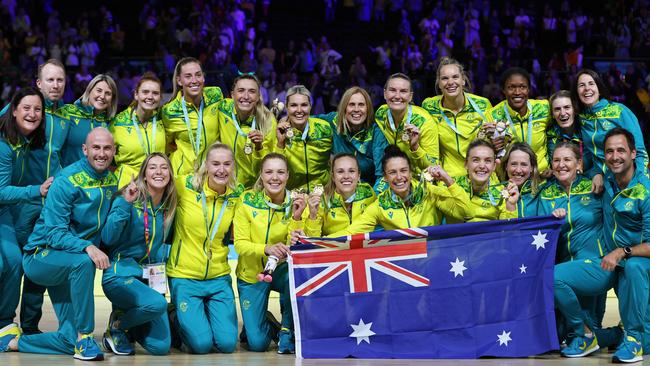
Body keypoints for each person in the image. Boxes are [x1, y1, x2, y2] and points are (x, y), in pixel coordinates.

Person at [1, 128, 117, 360]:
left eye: (107, 148)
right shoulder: (66, 180)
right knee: (84, 262)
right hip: (41, 255)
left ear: (114, 151)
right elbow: (54, 234)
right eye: (96, 147)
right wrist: (88, 246)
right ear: (85, 150)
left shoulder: (111, 180)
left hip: (69, 261)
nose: (102, 153)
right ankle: (85, 337)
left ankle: (14, 342)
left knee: (67, 339)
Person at [553, 128, 649, 362]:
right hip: (606, 263)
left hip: (638, 264)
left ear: (634, 153)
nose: (615, 156)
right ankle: (586, 334)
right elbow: (589, 163)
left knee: (635, 266)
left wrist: (623, 252)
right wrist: (595, 172)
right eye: (609, 151)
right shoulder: (606, 179)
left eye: (621, 150)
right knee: (552, 277)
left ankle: (634, 339)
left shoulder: (646, 190)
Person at [2, 60, 68, 334]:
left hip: (40, 207)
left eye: (60, 80)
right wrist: (36, 190)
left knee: (31, 262)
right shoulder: (10, 130)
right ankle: (5, 321)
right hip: (14, 203)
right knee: (11, 261)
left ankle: (25, 325)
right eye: (49, 80)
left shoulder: (65, 119)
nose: (55, 85)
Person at [166, 143, 243, 354]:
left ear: (233, 167)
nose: (221, 169)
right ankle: (173, 315)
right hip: (185, 275)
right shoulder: (185, 186)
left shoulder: (237, 196)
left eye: (227, 164)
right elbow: (157, 182)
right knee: (200, 346)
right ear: (205, 165)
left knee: (227, 345)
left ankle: (202, 318)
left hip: (218, 277)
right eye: (215, 163)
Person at [101, 153, 177, 356]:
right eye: (152, 167)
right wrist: (125, 203)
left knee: (160, 348)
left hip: (149, 278)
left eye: (164, 167)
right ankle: (118, 324)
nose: (158, 172)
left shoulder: (168, 206)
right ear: (144, 174)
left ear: (170, 173)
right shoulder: (129, 198)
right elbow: (108, 238)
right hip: (120, 274)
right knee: (158, 304)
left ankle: (129, 320)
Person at [234, 153, 302, 354]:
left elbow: (304, 243)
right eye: (269, 172)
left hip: (280, 271)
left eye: (280, 172)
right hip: (251, 275)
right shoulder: (246, 199)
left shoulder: (297, 201)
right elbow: (239, 245)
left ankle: (287, 331)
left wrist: (298, 218)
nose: (275, 177)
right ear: (261, 176)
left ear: (288, 175)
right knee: (257, 344)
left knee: (295, 275)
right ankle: (266, 322)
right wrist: (267, 248)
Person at [322, 146, 469, 235]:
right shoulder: (380, 206)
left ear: (410, 173)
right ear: (385, 177)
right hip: (401, 262)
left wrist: (448, 180)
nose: (399, 177)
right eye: (392, 172)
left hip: (432, 257)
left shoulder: (428, 191)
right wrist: (314, 242)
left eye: (403, 171)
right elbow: (351, 232)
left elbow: (464, 212)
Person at [0, 88, 51, 342]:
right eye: (26, 108)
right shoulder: (3, 144)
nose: (32, 113)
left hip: (4, 212)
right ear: (14, 110)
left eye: (38, 109)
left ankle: (4, 323)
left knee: (14, 262)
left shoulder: (24, 138)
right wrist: (37, 190)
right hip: (3, 204)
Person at [572, 69, 648, 192]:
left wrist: (640, 182)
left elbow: (639, 151)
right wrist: (595, 173)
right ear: (577, 92)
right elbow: (589, 154)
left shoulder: (619, 111)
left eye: (591, 83)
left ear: (600, 89)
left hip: (628, 180)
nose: (586, 88)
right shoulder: (582, 119)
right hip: (603, 185)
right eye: (581, 85)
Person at [422, 57, 492, 178]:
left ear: (463, 80)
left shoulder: (483, 105)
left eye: (455, 77)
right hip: (446, 177)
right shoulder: (429, 106)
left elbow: (492, 142)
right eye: (444, 78)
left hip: (479, 174)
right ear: (439, 83)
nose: (450, 82)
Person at [162, 57, 223, 176]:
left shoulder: (215, 95)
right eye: (188, 76)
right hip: (183, 174)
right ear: (179, 81)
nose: (194, 80)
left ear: (203, 77)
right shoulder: (170, 111)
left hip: (212, 172)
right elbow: (166, 144)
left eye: (198, 75)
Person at [486, 67, 552, 173]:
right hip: (509, 180)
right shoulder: (492, 116)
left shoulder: (544, 108)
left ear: (529, 89)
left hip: (541, 179)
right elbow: (483, 148)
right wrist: (492, 147)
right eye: (511, 87)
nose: (517, 92)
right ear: (504, 90)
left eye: (522, 87)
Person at [216, 74, 275, 188]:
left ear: (258, 96)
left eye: (252, 91)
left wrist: (259, 147)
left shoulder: (267, 120)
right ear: (232, 95)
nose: (246, 96)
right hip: (224, 186)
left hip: (252, 189)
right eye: (241, 90)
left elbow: (271, 163)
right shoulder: (223, 108)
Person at [317, 87, 386, 186]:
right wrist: (286, 121)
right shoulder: (332, 121)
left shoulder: (376, 133)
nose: (356, 109)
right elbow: (305, 120)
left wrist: (374, 200)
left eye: (361, 105)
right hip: (337, 191)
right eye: (351, 105)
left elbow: (382, 175)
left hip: (368, 192)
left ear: (368, 108)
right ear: (344, 108)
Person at [374, 73, 439, 176]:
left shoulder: (424, 122)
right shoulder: (381, 114)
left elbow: (434, 166)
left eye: (403, 91)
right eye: (392, 90)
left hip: (418, 181)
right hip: (390, 177)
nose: (397, 96)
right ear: (385, 94)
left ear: (410, 96)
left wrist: (415, 147)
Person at [297, 154, 376, 236]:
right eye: (340, 171)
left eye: (351, 171)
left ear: (359, 175)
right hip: (333, 248)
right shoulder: (321, 200)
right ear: (333, 176)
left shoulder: (368, 192)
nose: (346, 176)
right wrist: (313, 216)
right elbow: (312, 241)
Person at [110, 72, 167, 189]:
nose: (150, 97)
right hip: (127, 187)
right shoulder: (118, 123)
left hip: (157, 185)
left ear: (160, 97)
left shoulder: (163, 120)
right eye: (145, 92)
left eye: (155, 93)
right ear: (136, 94)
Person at [274, 85, 332, 191]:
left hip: (323, 195)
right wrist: (280, 144)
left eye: (304, 105)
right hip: (292, 197)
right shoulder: (278, 132)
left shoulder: (324, 128)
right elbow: (274, 171)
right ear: (286, 107)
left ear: (310, 106)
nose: (299, 110)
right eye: (294, 105)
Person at [447, 140, 519, 223]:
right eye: (476, 160)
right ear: (466, 164)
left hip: (490, 236)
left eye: (488, 161)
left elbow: (508, 231)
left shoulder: (501, 193)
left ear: (494, 166)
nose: (482, 166)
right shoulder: (449, 185)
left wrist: (510, 205)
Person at [57, 74, 119, 168]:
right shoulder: (67, 112)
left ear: (112, 99)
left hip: (96, 180)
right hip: (68, 178)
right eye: (99, 90)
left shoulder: (111, 123)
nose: (102, 96)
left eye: (108, 93)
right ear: (89, 91)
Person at [501, 142, 542, 217]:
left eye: (524, 164)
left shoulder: (543, 192)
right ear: (506, 166)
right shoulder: (496, 193)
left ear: (532, 168)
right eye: (514, 164)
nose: (518, 170)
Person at [547, 90, 583, 164]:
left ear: (575, 110)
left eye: (567, 107)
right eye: (557, 109)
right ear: (552, 114)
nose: (562, 113)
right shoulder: (548, 137)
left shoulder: (587, 132)